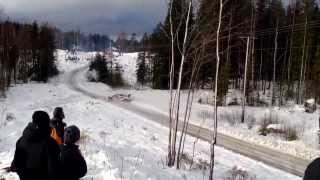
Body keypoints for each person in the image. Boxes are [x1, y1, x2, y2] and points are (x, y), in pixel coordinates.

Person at [9, 111, 61, 180]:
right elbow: (54, 170)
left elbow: (16, 165)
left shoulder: (21, 140)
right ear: (46, 124)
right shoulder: (50, 143)